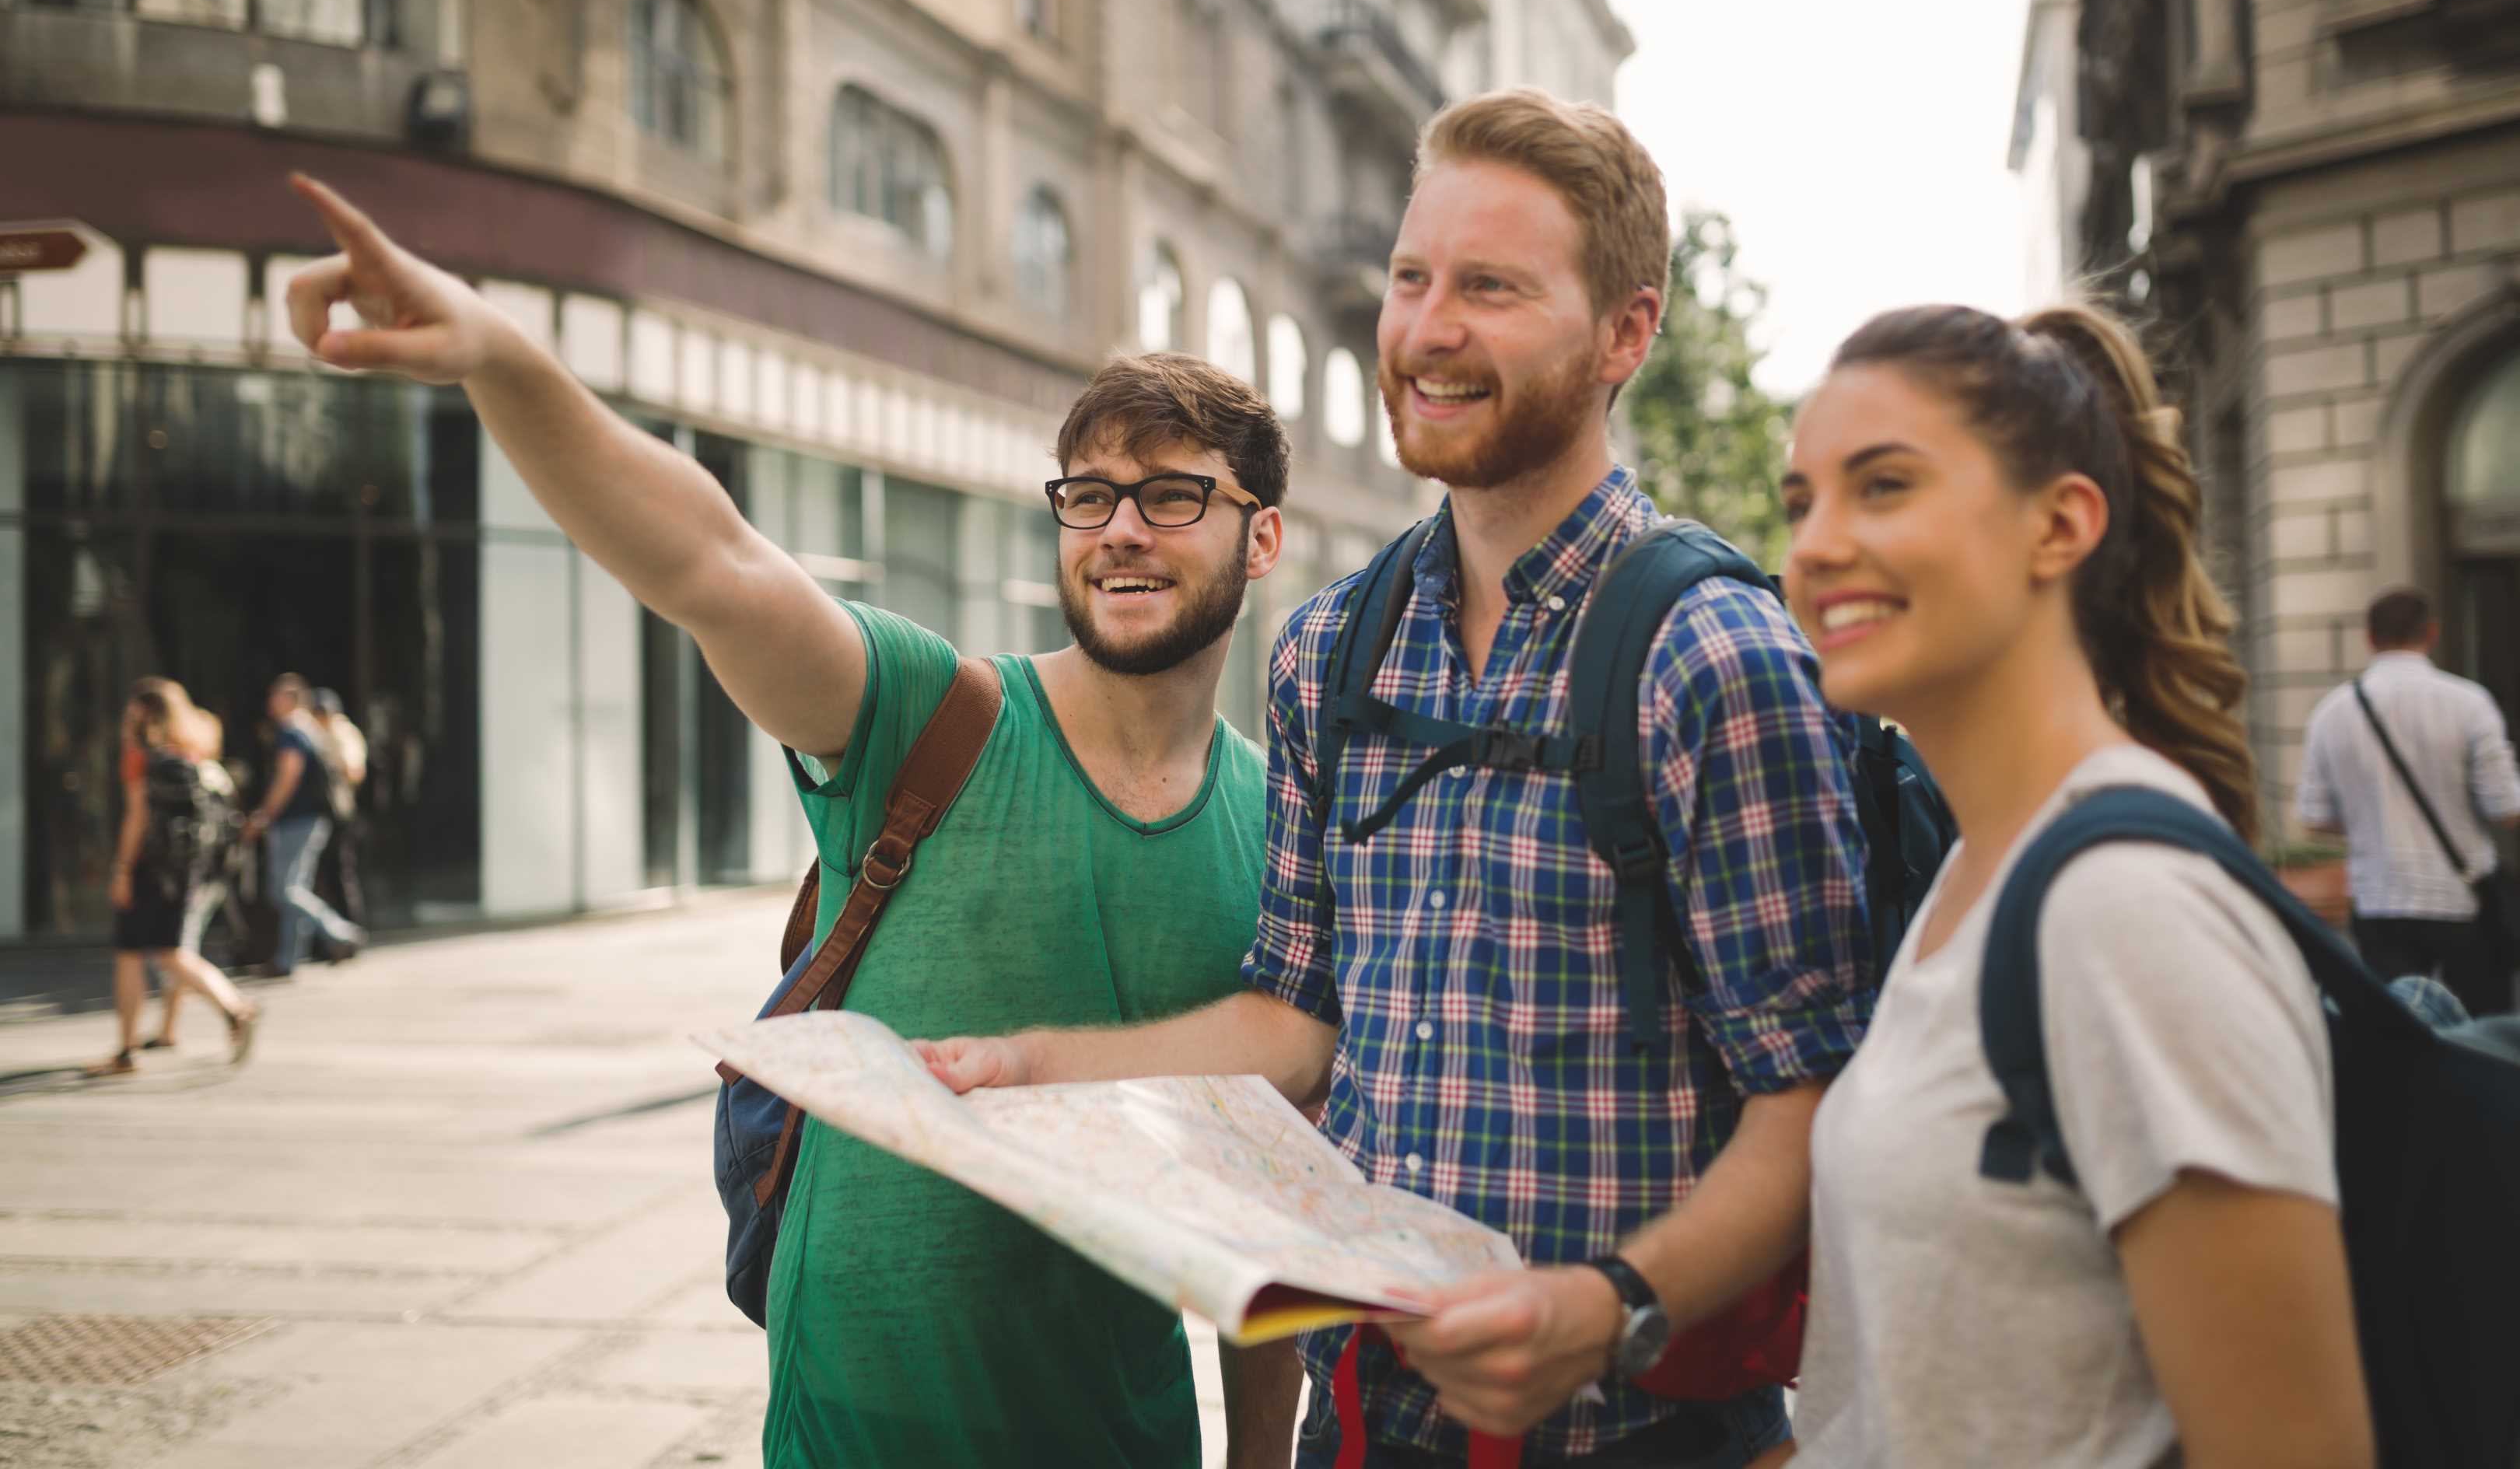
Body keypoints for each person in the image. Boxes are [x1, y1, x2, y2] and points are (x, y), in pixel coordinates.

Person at [278, 173, 1303, 1469]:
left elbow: (1265, 1193)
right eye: (1087, 495)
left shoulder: (1282, 829)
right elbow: (713, 561)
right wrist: (500, 358)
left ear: (1260, 540)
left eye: (1170, 495)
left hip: (1119, 1438)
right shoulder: (943, 719)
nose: (1117, 531)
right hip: (851, 1433)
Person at [923, 88, 1872, 1467]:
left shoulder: (1711, 655)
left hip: (1637, 1436)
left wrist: (1609, 1307)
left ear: (1627, 331)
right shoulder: (1329, 652)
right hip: (1366, 1428)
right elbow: (1297, 1023)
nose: (1428, 331)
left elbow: (1812, 1100)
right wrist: (1030, 1065)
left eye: (1490, 287)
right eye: (1412, 281)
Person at [1774, 303, 2372, 1465]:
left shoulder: (2127, 910)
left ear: (2062, 525)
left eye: (1883, 486)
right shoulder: (1976, 871)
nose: (1816, 546)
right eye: (1803, 502)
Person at [2298, 588, 2520, 1018]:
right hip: (2463, 897)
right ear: (2431, 633)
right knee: (2485, 1031)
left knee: (2398, 1037)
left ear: (2369, 638)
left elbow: (2314, 816)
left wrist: (2371, 816)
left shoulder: (2331, 712)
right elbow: (2506, 808)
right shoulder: (2470, 703)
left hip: (2379, 898)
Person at [90, 681, 260, 1075]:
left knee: (133, 953)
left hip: (149, 866)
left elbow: (137, 816)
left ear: (142, 714)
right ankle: (229, 1010)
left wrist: (122, 870)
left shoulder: (141, 755)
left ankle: (127, 1051)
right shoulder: (192, 749)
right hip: (185, 868)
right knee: (173, 950)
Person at [242, 673, 366, 976]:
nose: (270, 701)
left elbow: (288, 778)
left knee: (285, 889)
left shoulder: (292, 733)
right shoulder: (310, 730)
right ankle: (287, 959)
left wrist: (264, 814)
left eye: (276, 696)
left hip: (296, 820)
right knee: (295, 886)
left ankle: (340, 931)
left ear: (291, 699)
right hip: (312, 819)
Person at [310, 687, 369, 929]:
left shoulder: (341, 733)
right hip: (328, 811)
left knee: (340, 872)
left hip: (340, 813)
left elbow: (354, 771)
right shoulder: (321, 733)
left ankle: (350, 928)